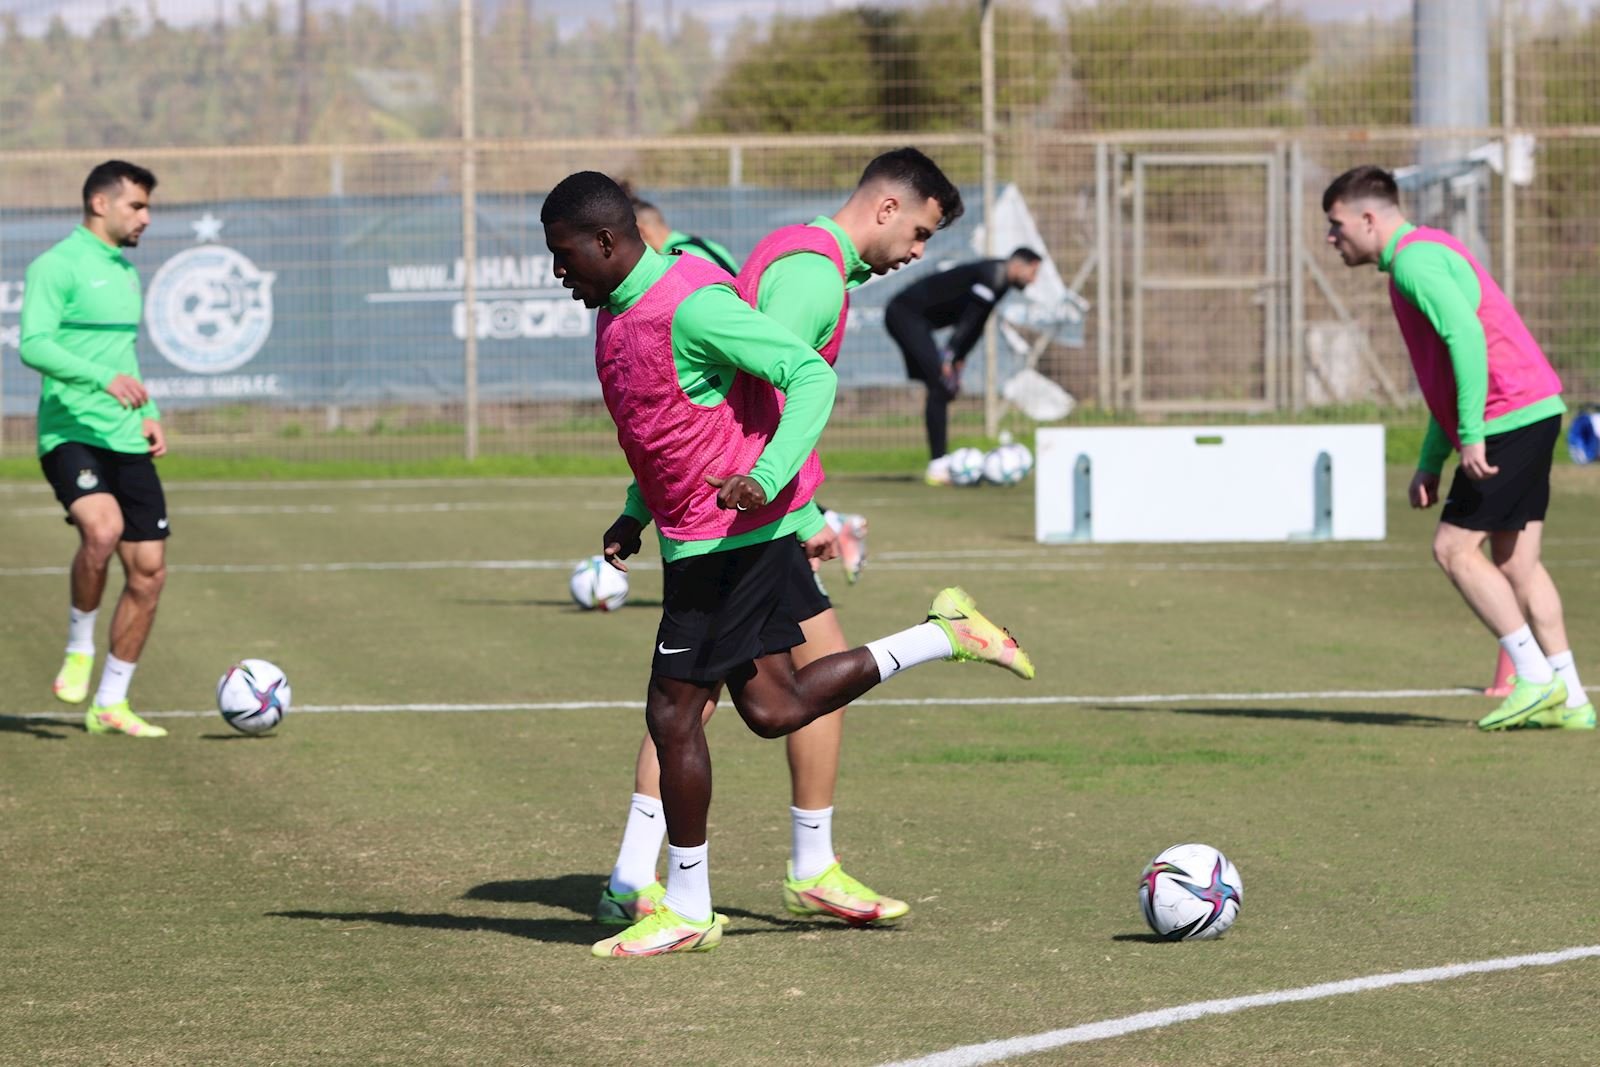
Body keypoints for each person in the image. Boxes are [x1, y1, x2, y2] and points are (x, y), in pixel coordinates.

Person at [541, 170, 1034, 957]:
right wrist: (634, 512)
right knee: (772, 707)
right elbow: (659, 426)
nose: (557, 270)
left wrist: (771, 481)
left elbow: (806, 377)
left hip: (728, 539)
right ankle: (943, 635)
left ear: (604, 241)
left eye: (563, 254)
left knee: (674, 713)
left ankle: (686, 902)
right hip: (703, 537)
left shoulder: (692, 301)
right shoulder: (615, 313)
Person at [1323, 164, 1592, 731]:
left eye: (1336, 224)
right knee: (1517, 563)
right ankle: (1572, 700)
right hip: (1533, 408)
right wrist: (1430, 459)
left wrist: (1471, 435)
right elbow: (1446, 375)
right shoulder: (1424, 252)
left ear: (1368, 219)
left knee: (1453, 550)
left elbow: (1466, 337)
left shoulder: (1414, 263)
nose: (1331, 237)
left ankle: (1534, 678)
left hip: (1508, 414)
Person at [630, 187, 871, 582]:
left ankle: (827, 523)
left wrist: (805, 516)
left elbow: (778, 385)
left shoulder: (682, 265)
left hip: (736, 468)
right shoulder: (699, 249)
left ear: (637, 233)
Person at [20, 160, 171, 739]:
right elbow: (34, 344)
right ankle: (79, 646)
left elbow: (124, 354)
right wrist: (101, 379)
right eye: (137, 206)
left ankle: (111, 702)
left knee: (149, 572)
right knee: (102, 532)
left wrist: (149, 414)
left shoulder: (125, 273)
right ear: (100, 204)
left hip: (125, 434)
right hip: (70, 433)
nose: (146, 218)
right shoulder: (55, 265)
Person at [884, 248, 1043, 485]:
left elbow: (978, 322)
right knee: (940, 385)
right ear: (1019, 266)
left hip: (918, 321)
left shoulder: (1000, 282)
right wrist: (949, 355)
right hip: (904, 314)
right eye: (1033, 272)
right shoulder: (993, 275)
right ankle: (938, 466)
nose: (1033, 280)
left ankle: (940, 462)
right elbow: (970, 320)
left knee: (942, 388)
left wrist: (959, 357)